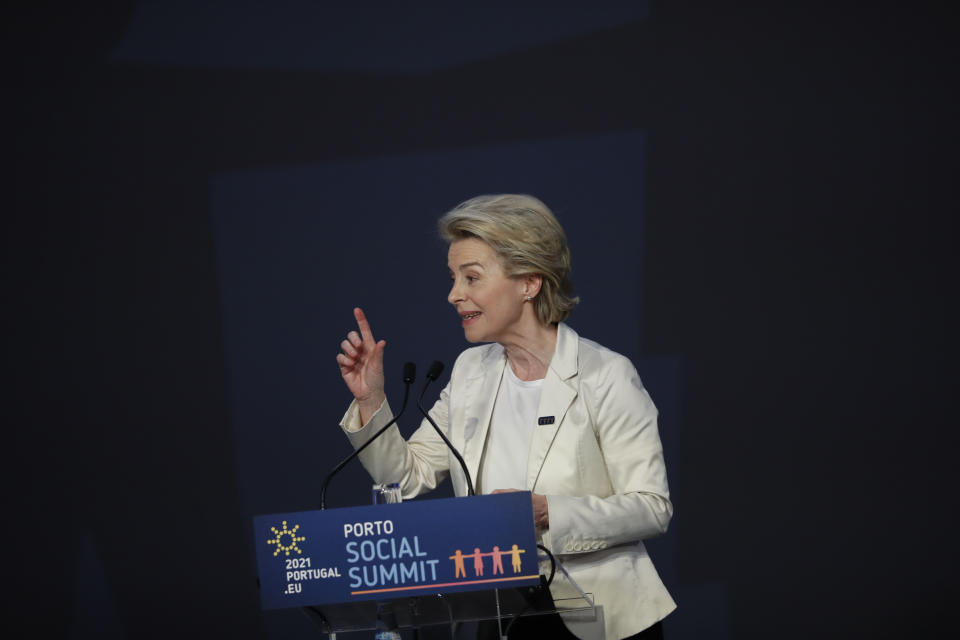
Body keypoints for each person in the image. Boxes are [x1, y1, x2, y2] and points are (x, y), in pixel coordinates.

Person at [336, 194, 675, 639]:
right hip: (499, 614)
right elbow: (405, 475)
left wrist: (547, 512)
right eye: (454, 277)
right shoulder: (470, 371)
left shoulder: (605, 375)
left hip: (603, 620)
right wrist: (371, 402)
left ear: (529, 283)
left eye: (471, 277)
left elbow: (652, 508)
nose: (454, 294)